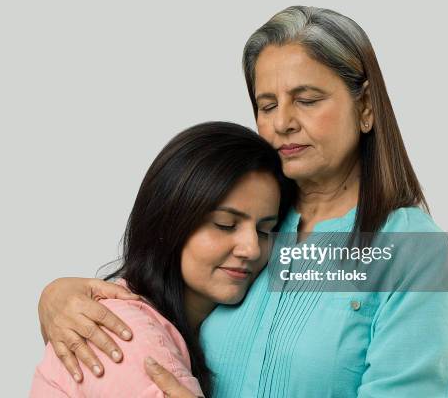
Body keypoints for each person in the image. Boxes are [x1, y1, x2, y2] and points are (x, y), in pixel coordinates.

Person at [37, 6, 448, 397]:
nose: (282, 123)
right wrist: (56, 296)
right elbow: (154, 293)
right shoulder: (253, 223)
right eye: (266, 105)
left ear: (365, 106)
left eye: (308, 100)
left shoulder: (414, 249)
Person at [30, 122, 294, 397]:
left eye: (266, 230)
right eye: (225, 225)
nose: (252, 249)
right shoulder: (126, 335)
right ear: (171, 221)